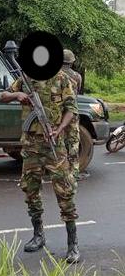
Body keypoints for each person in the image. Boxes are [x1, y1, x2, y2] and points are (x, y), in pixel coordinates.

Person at [0, 70, 80, 263]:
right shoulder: (26, 77)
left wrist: (59, 128)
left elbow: (71, 108)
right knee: (30, 189)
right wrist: (17, 95)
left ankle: (73, 244)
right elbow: (2, 96)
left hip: (55, 144)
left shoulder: (61, 79)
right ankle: (38, 235)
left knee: (65, 191)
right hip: (31, 145)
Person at [62, 49, 83, 180]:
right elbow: (77, 92)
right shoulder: (77, 76)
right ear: (71, 62)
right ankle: (74, 172)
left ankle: (60, 170)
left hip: (58, 113)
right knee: (73, 142)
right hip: (72, 113)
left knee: (59, 142)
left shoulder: (54, 75)